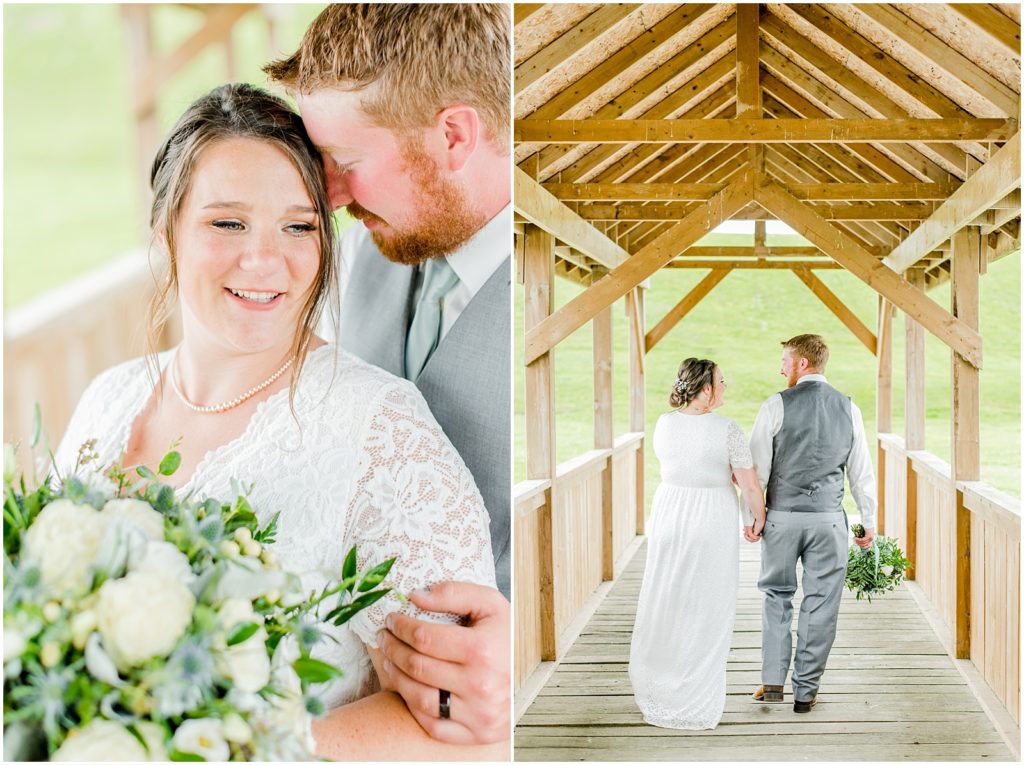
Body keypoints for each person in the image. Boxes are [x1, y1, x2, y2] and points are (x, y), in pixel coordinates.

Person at [54, 83, 505, 760]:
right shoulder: (105, 400)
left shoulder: (382, 433)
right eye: (227, 223)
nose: (264, 260)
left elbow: (456, 730)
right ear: (165, 233)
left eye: (299, 226)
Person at [263, 4, 512, 746]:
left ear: (455, 135)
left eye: (347, 161)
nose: (330, 197)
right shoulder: (372, 254)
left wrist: (523, 647)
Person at [628, 358, 766, 730]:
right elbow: (749, 485)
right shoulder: (728, 430)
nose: (725, 387)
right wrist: (759, 518)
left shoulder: (664, 424)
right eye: (721, 381)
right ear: (705, 389)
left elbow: (682, 464)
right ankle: (695, 690)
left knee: (669, 597)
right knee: (707, 603)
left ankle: (663, 683)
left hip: (671, 513)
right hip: (710, 517)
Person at [747, 334, 876, 713]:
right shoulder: (849, 409)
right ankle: (806, 692)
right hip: (828, 522)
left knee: (776, 596)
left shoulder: (775, 405)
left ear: (803, 363)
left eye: (786, 360)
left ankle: (772, 681)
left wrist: (754, 519)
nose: (781, 368)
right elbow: (861, 472)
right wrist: (867, 520)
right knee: (821, 604)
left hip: (782, 520)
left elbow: (758, 470)